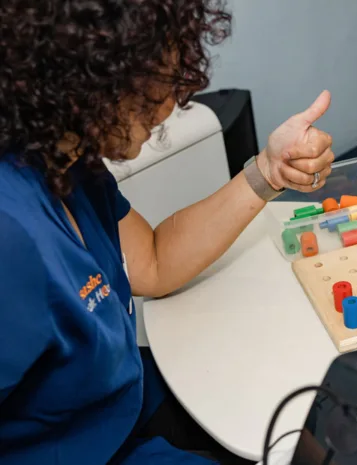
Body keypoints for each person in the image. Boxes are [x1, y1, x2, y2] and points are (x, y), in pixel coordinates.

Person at [0, 1, 335, 464]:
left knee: (301, 429)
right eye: (161, 77)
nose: (174, 102)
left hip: (123, 399)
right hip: (91, 448)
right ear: (86, 73)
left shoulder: (69, 163)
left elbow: (154, 260)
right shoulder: (11, 237)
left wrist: (268, 171)